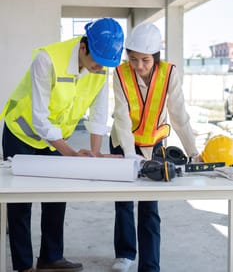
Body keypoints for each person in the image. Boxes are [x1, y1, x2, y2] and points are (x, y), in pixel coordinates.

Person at [0, 17, 124, 272]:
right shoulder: (47, 60)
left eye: (105, 65)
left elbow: (99, 114)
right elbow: (40, 117)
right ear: (83, 47)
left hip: (55, 139)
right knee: (20, 203)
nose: (100, 69)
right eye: (96, 62)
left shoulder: (100, 67)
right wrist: (70, 154)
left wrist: (95, 153)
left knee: (57, 195)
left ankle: (50, 257)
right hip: (21, 134)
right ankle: (23, 266)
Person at [110, 22, 199, 272]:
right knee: (124, 202)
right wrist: (129, 155)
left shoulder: (169, 74)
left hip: (155, 144)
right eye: (134, 59)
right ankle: (125, 254)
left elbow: (179, 115)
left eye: (145, 60)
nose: (139, 66)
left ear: (156, 58)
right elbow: (122, 116)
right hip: (123, 141)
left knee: (149, 205)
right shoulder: (119, 73)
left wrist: (193, 152)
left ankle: (149, 265)